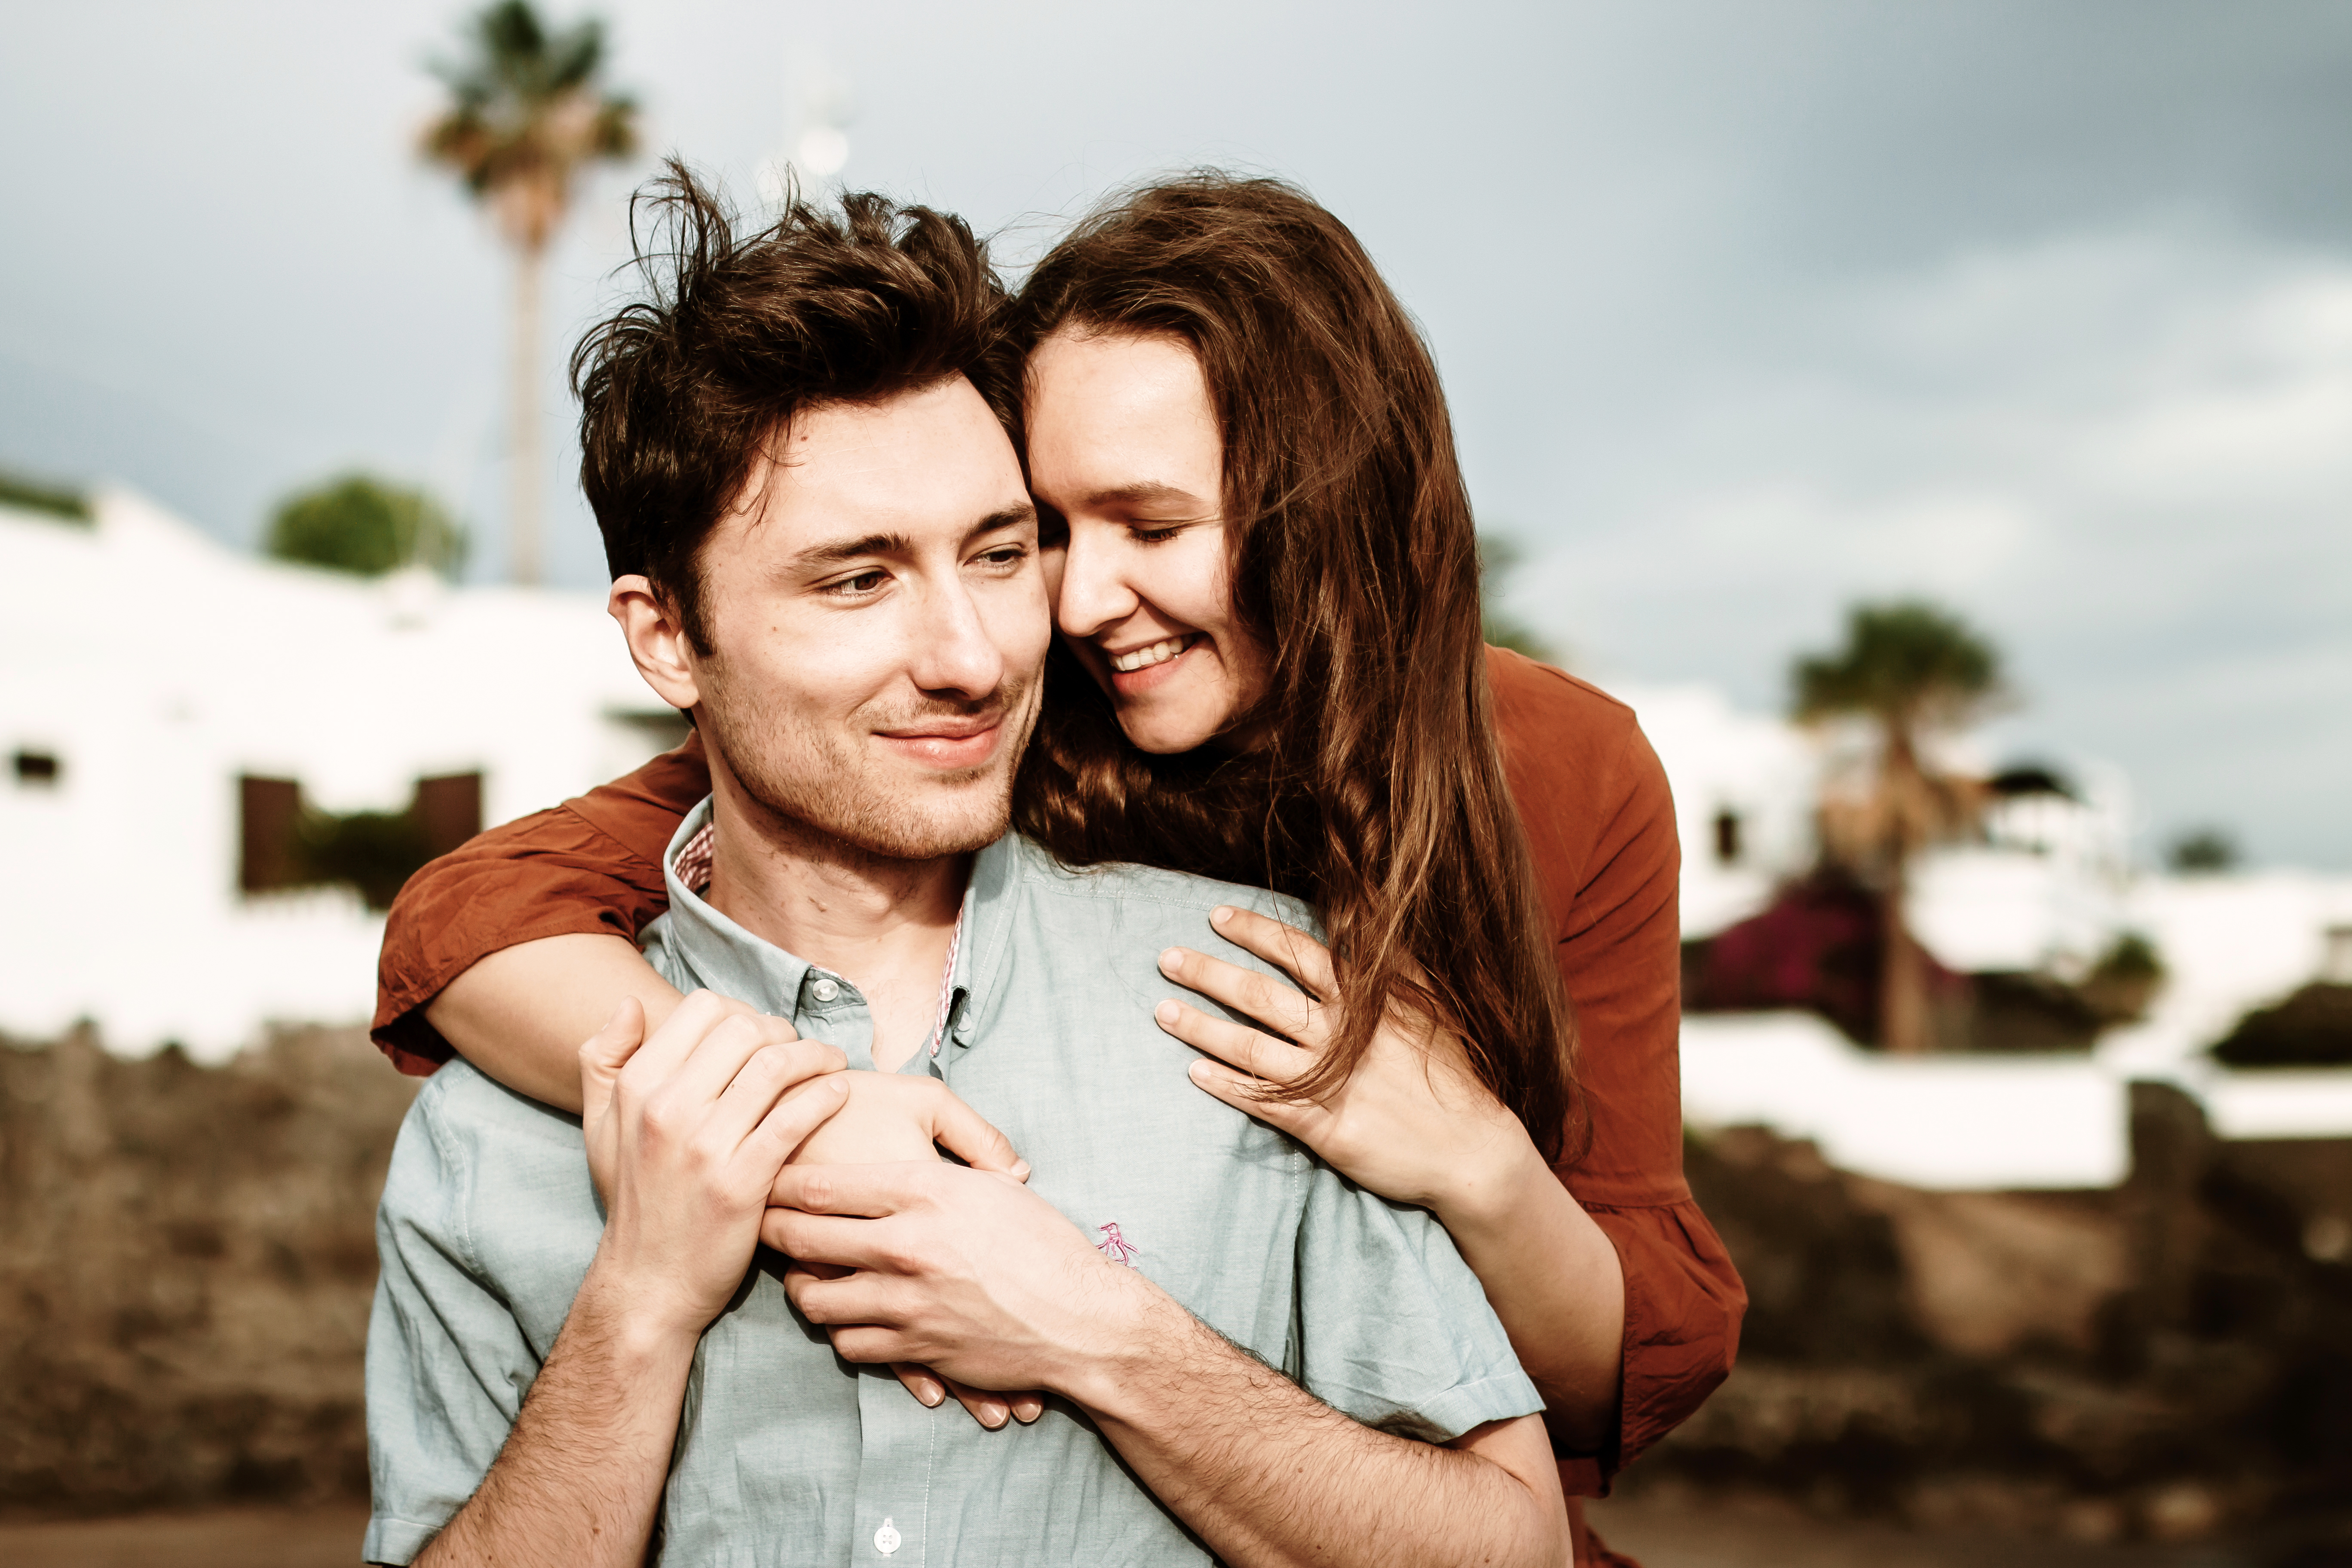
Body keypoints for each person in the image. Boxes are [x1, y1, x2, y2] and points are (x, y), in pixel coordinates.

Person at [375, 174, 1746, 1565]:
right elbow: (475, 911)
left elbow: (1632, 1363)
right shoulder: (987, 728)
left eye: (1148, 528)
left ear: (1324, 509)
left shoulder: (1548, 768)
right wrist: (799, 1119)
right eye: (1052, 529)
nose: (1072, 605)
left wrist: (1478, 1169)